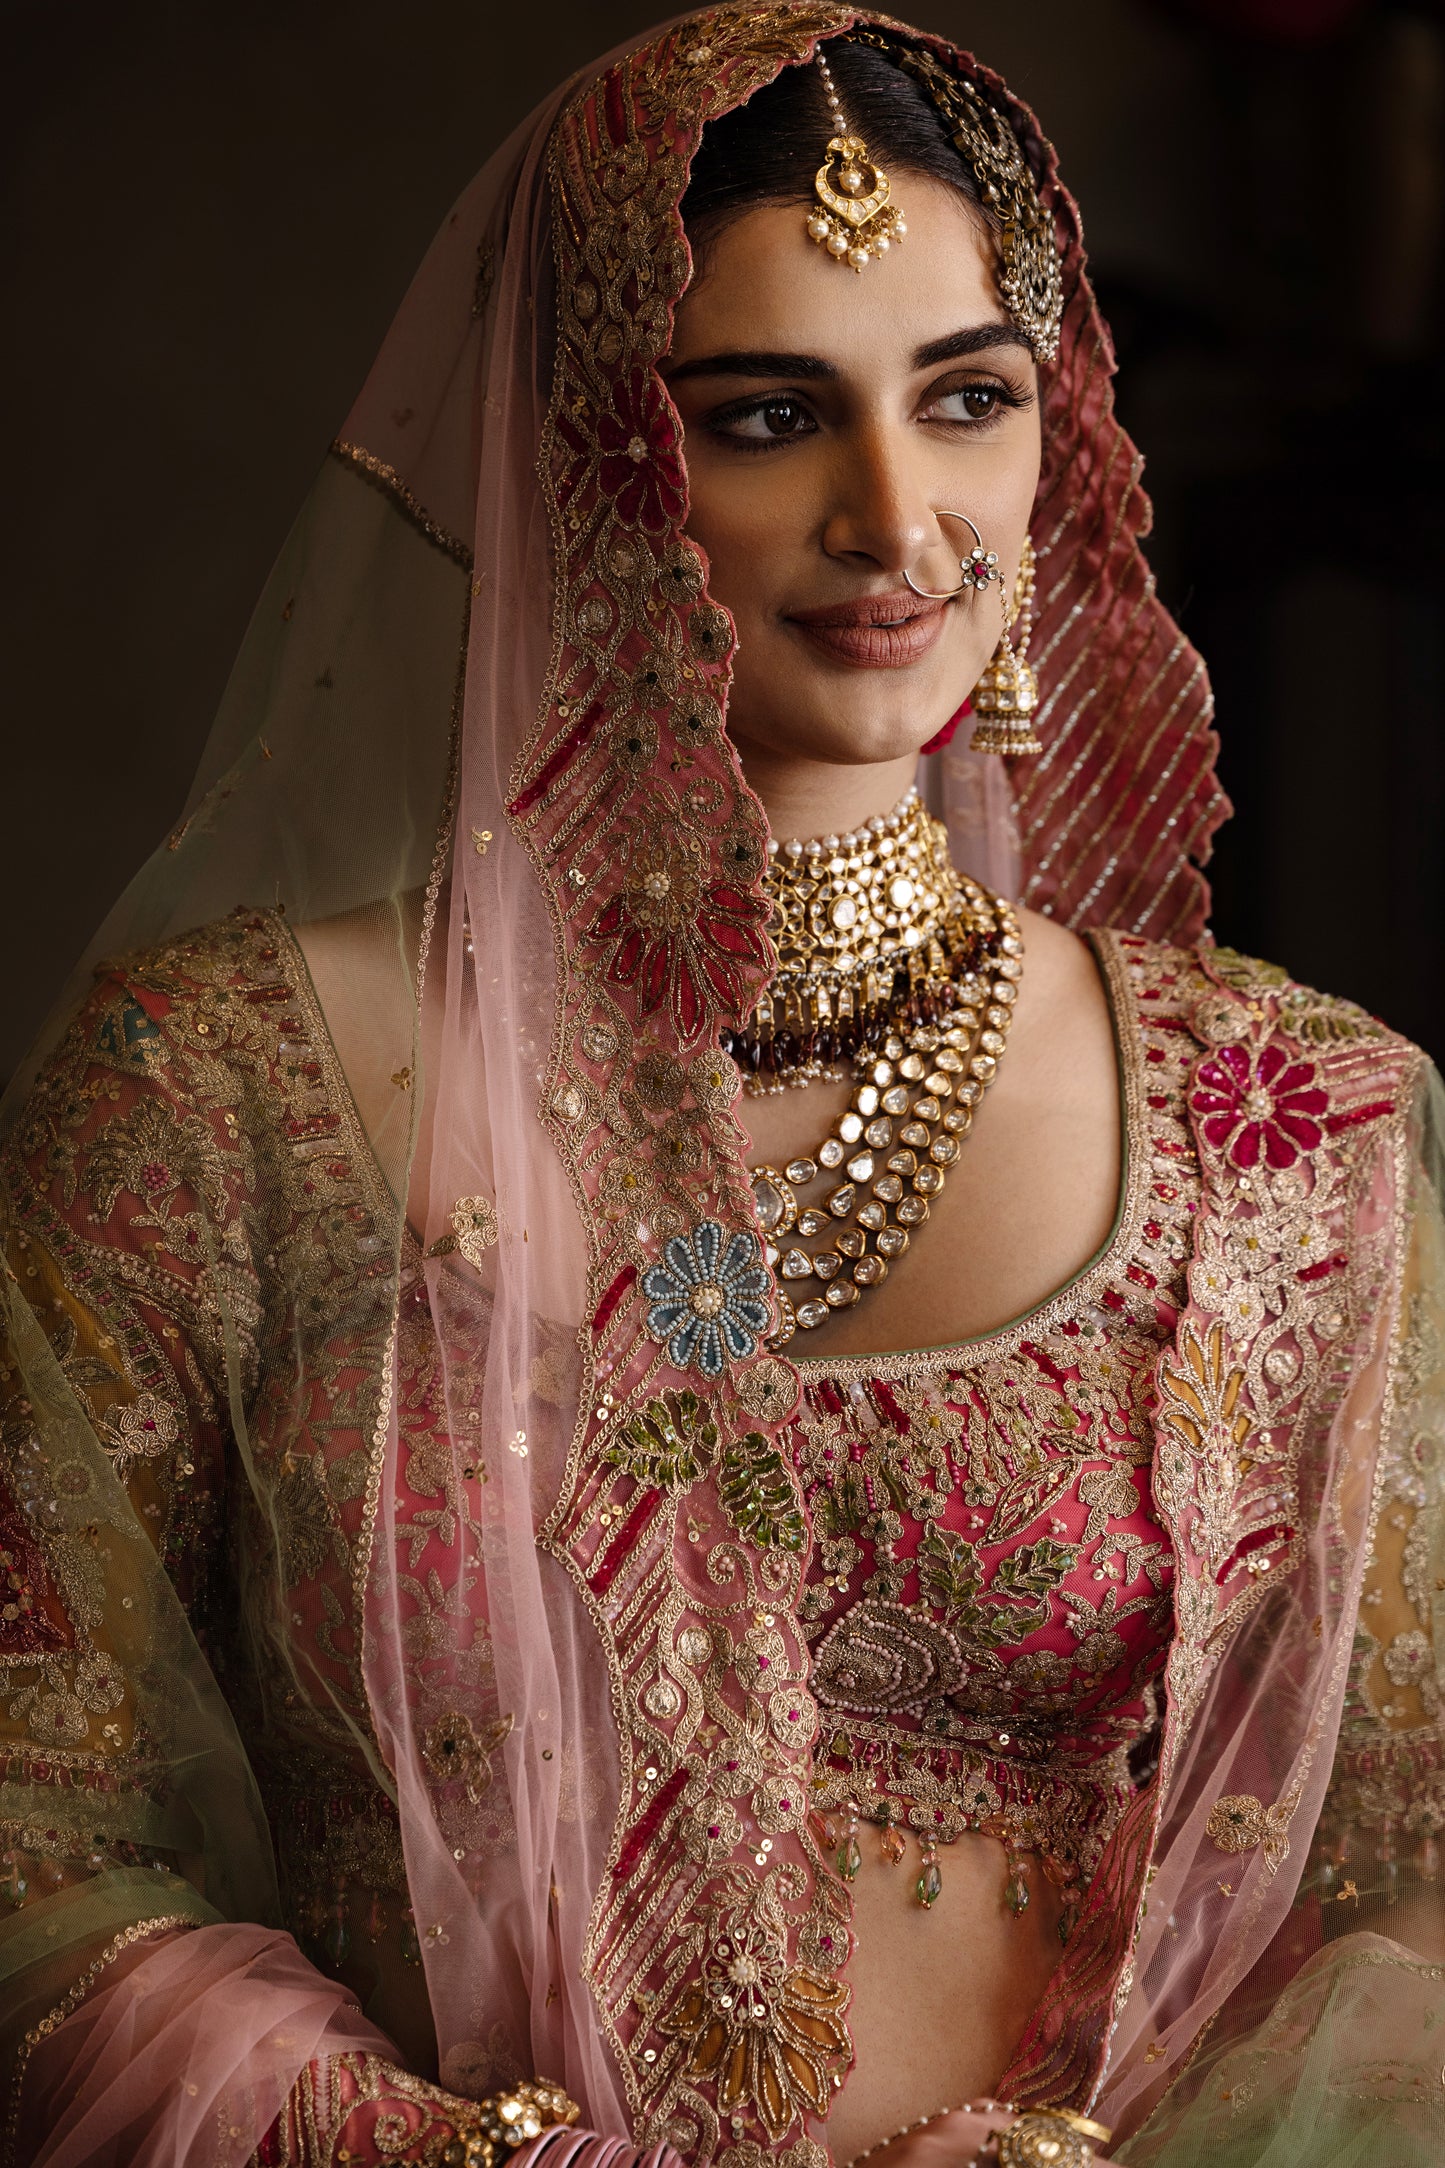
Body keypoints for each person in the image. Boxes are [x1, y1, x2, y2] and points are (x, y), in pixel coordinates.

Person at [2, 9, 1441, 2165]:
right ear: (581, 459)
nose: (898, 514)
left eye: (968, 398)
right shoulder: (211, 1097)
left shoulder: (1293, 1130)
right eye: (770, 415)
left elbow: (1399, 1879)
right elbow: (42, 1833)